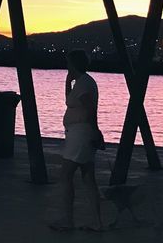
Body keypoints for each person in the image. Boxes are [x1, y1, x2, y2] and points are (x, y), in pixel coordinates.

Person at [50, 50, 104, 232]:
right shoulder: (82, 83)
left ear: (74, 64)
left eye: (68, 64)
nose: (67, 66)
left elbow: (90, 109)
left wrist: (95, 130)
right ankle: (97, 222)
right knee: (88, 178)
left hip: (80, 134)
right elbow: (69, 101)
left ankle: (68, 219)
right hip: (79, 133)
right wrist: (68, 81)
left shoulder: (85, 84)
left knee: (66, 176)